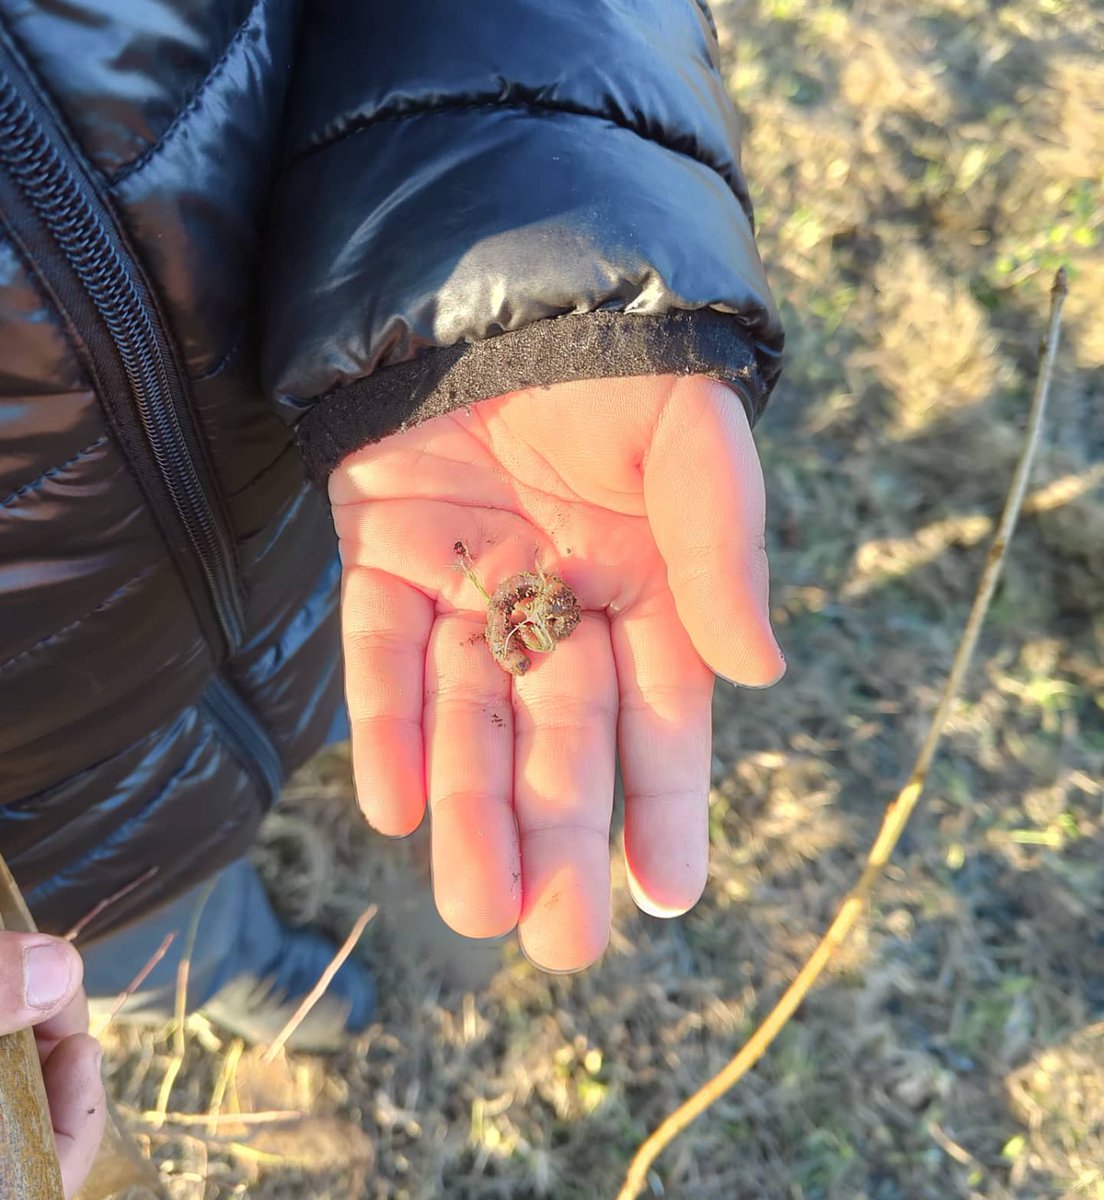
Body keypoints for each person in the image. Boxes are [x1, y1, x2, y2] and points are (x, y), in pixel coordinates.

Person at [0, 1, 785, 1192]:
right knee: (116, 923)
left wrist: (527, 294)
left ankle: (241, 948)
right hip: (41, 816)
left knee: (240, 819)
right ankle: (234, 979)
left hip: (312, 502)